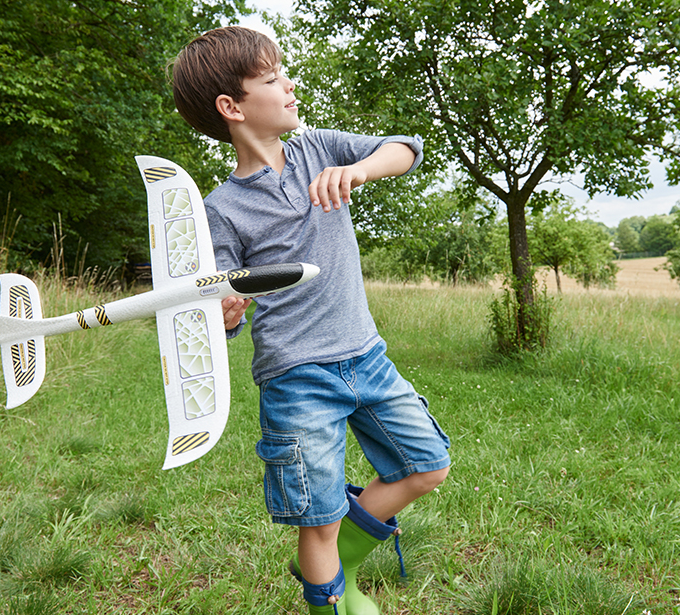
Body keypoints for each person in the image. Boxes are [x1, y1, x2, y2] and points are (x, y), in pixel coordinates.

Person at [167, 26, 451, 615]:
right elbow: (221, 308)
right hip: (297, 378)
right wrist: (225, 314)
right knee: (317, 515)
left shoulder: (319, 147)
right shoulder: (221, 211)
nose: (289, 85)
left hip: (366, 355)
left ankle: (338, 564)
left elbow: (405, 147)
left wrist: (362, 171)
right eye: (271, 79)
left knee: (427, 464)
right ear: (232, 106)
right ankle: (328, 596)